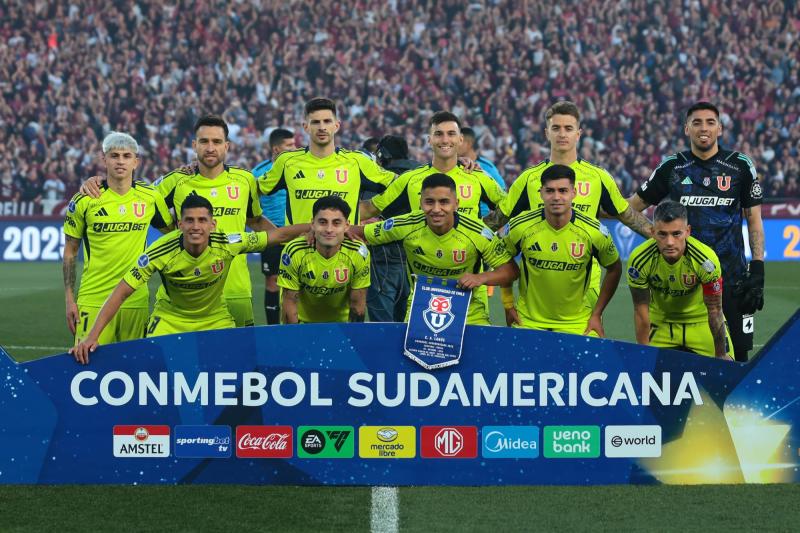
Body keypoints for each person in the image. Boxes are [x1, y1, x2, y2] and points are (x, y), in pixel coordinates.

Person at [81, 115, 276, 329]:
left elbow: (255, 220)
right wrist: (102, 180)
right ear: (194, 145)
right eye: (204, 141)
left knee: (239, 360)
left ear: (227, 146)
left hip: (236, 290)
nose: (210, 147)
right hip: (181, 298)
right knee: (176, 361)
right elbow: (134, 193)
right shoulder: (176, 180)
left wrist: (294, 239)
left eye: (216, 142)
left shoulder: (244, 180)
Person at [70, 195, 310, 364]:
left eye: (202, 220)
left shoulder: (227, 243)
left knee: (237, 366)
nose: (196, 226)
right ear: (180, 224)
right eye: (190, 220)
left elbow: (277, 234)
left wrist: (316, 228)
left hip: (214, 318)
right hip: (170, 320)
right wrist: (92, 336)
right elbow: (121, 291)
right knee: (154, 368)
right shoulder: (161, 250)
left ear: (213, 225)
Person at [627, 101, 764, 362]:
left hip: (731, 279)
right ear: (686, 129)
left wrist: (758, 268)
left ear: (720, 129)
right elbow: (631, 208)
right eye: (697, 122)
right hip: (685, 285)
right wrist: (655, 234)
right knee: (672, 368)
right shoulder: (672, 167)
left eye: (710, 122)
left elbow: (754, 219)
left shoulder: (740, 166)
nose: (704, 128)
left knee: (737, 363)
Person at [490, 101, 653, 308]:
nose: (562, 134)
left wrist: (661, 236)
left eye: (568, 128)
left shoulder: (598, 178)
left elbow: (627, 215)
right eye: (556, 128)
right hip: (535, 292)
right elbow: (497, 220)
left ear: (578, 134)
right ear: (546, 133)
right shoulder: (528, 179)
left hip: (584, 290)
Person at [353, 173, 519, 325]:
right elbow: (357, 232)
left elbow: (511, 271)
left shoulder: (477, 232)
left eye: (444, 202)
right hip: (419, 310)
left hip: (470, 314)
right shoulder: (405, 224)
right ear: (421, 203)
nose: (436, 209)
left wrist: (480, 278)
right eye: (429, 202)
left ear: (456, 204)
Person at [63, 132, 173, 347]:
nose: (120, 161)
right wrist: (69, 299)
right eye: (114, 155)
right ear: (104, 159)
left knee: (133, 372)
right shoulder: (84, 200)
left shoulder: (151, 197)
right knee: (88, 367)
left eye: (126, 155)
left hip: (135, 301)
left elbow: (174, 233)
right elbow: (70, 251)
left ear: (136, 161)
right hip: (93, 299)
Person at [500, 164, 621, 336]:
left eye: (563, 191)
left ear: (574, 192)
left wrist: (597, 313)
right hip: (528, 321)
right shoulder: (520, 227)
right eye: (550, 191)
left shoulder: (594, 232)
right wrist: (507, 303)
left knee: (594, 362)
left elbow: (615, 268)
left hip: (578, 324)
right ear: (541, 193)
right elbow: (501, 257)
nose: (556, 197)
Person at [258, 97, 397, 226]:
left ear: (336, 125)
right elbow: (252, 191)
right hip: (300, 250)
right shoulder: (287, 162)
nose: (322, 127)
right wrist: (271, 232)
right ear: (305, 127)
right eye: (316, 122)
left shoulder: (357, 161)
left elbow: (401, 185)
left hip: (346, 250)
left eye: (327, 121)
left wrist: (373, 207)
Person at [627, 201, 734, 360]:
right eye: (662, 234)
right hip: (661, 322)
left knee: (726, 374)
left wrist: (720, 355)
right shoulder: (639, 260)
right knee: (646, 378)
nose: (670, 242)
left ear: (688, 231)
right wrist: (644, 354)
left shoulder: (706, 261)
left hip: (701, 321)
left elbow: (715, 310)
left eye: (676, 233)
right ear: (653, 231)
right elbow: (640, 309)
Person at [360, 111, 507, 222]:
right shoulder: (410, 179)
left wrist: (484, 229)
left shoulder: (477, 176)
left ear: (460, 139)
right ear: (429, 140)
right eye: (438, 134)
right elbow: (370, 208)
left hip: (468, 262)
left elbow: (509, 207)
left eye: (451, 134)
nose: (445, 140)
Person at [279, 196, 370, 323]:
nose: (329, 229)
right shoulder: (294, 251)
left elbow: (358, 304)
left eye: (336, 223)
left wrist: (352, 338)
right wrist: (295, 339)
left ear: (347, 226)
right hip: (302, 325)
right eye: (322, 222)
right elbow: (290, 301)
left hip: (341, 326)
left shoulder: (358, 252)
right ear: (312, 224)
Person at [364, 135, 423, 322]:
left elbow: (365, 214)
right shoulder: (424, 173)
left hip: (383, 260)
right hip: (420, 259)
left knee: (382, 328)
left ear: (382, 155)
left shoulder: (377, 179)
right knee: (413, 326)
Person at [253, 128, 297, 325]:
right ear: (276, 149)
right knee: (272, 281)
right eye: (290, 145)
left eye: (295, 144)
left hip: (296, 234)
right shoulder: (259, 173)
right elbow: (251, 207)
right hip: (271, 235)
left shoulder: (298, 168)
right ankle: (271, 328)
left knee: (297, 284)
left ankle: (295, 326)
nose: (295, 148)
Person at [458, 126, 506, 217]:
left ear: (468, 144)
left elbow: (502, 192)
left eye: (459, 142)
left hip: (481, 221)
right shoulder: (455, 165)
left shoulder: (486, 167)